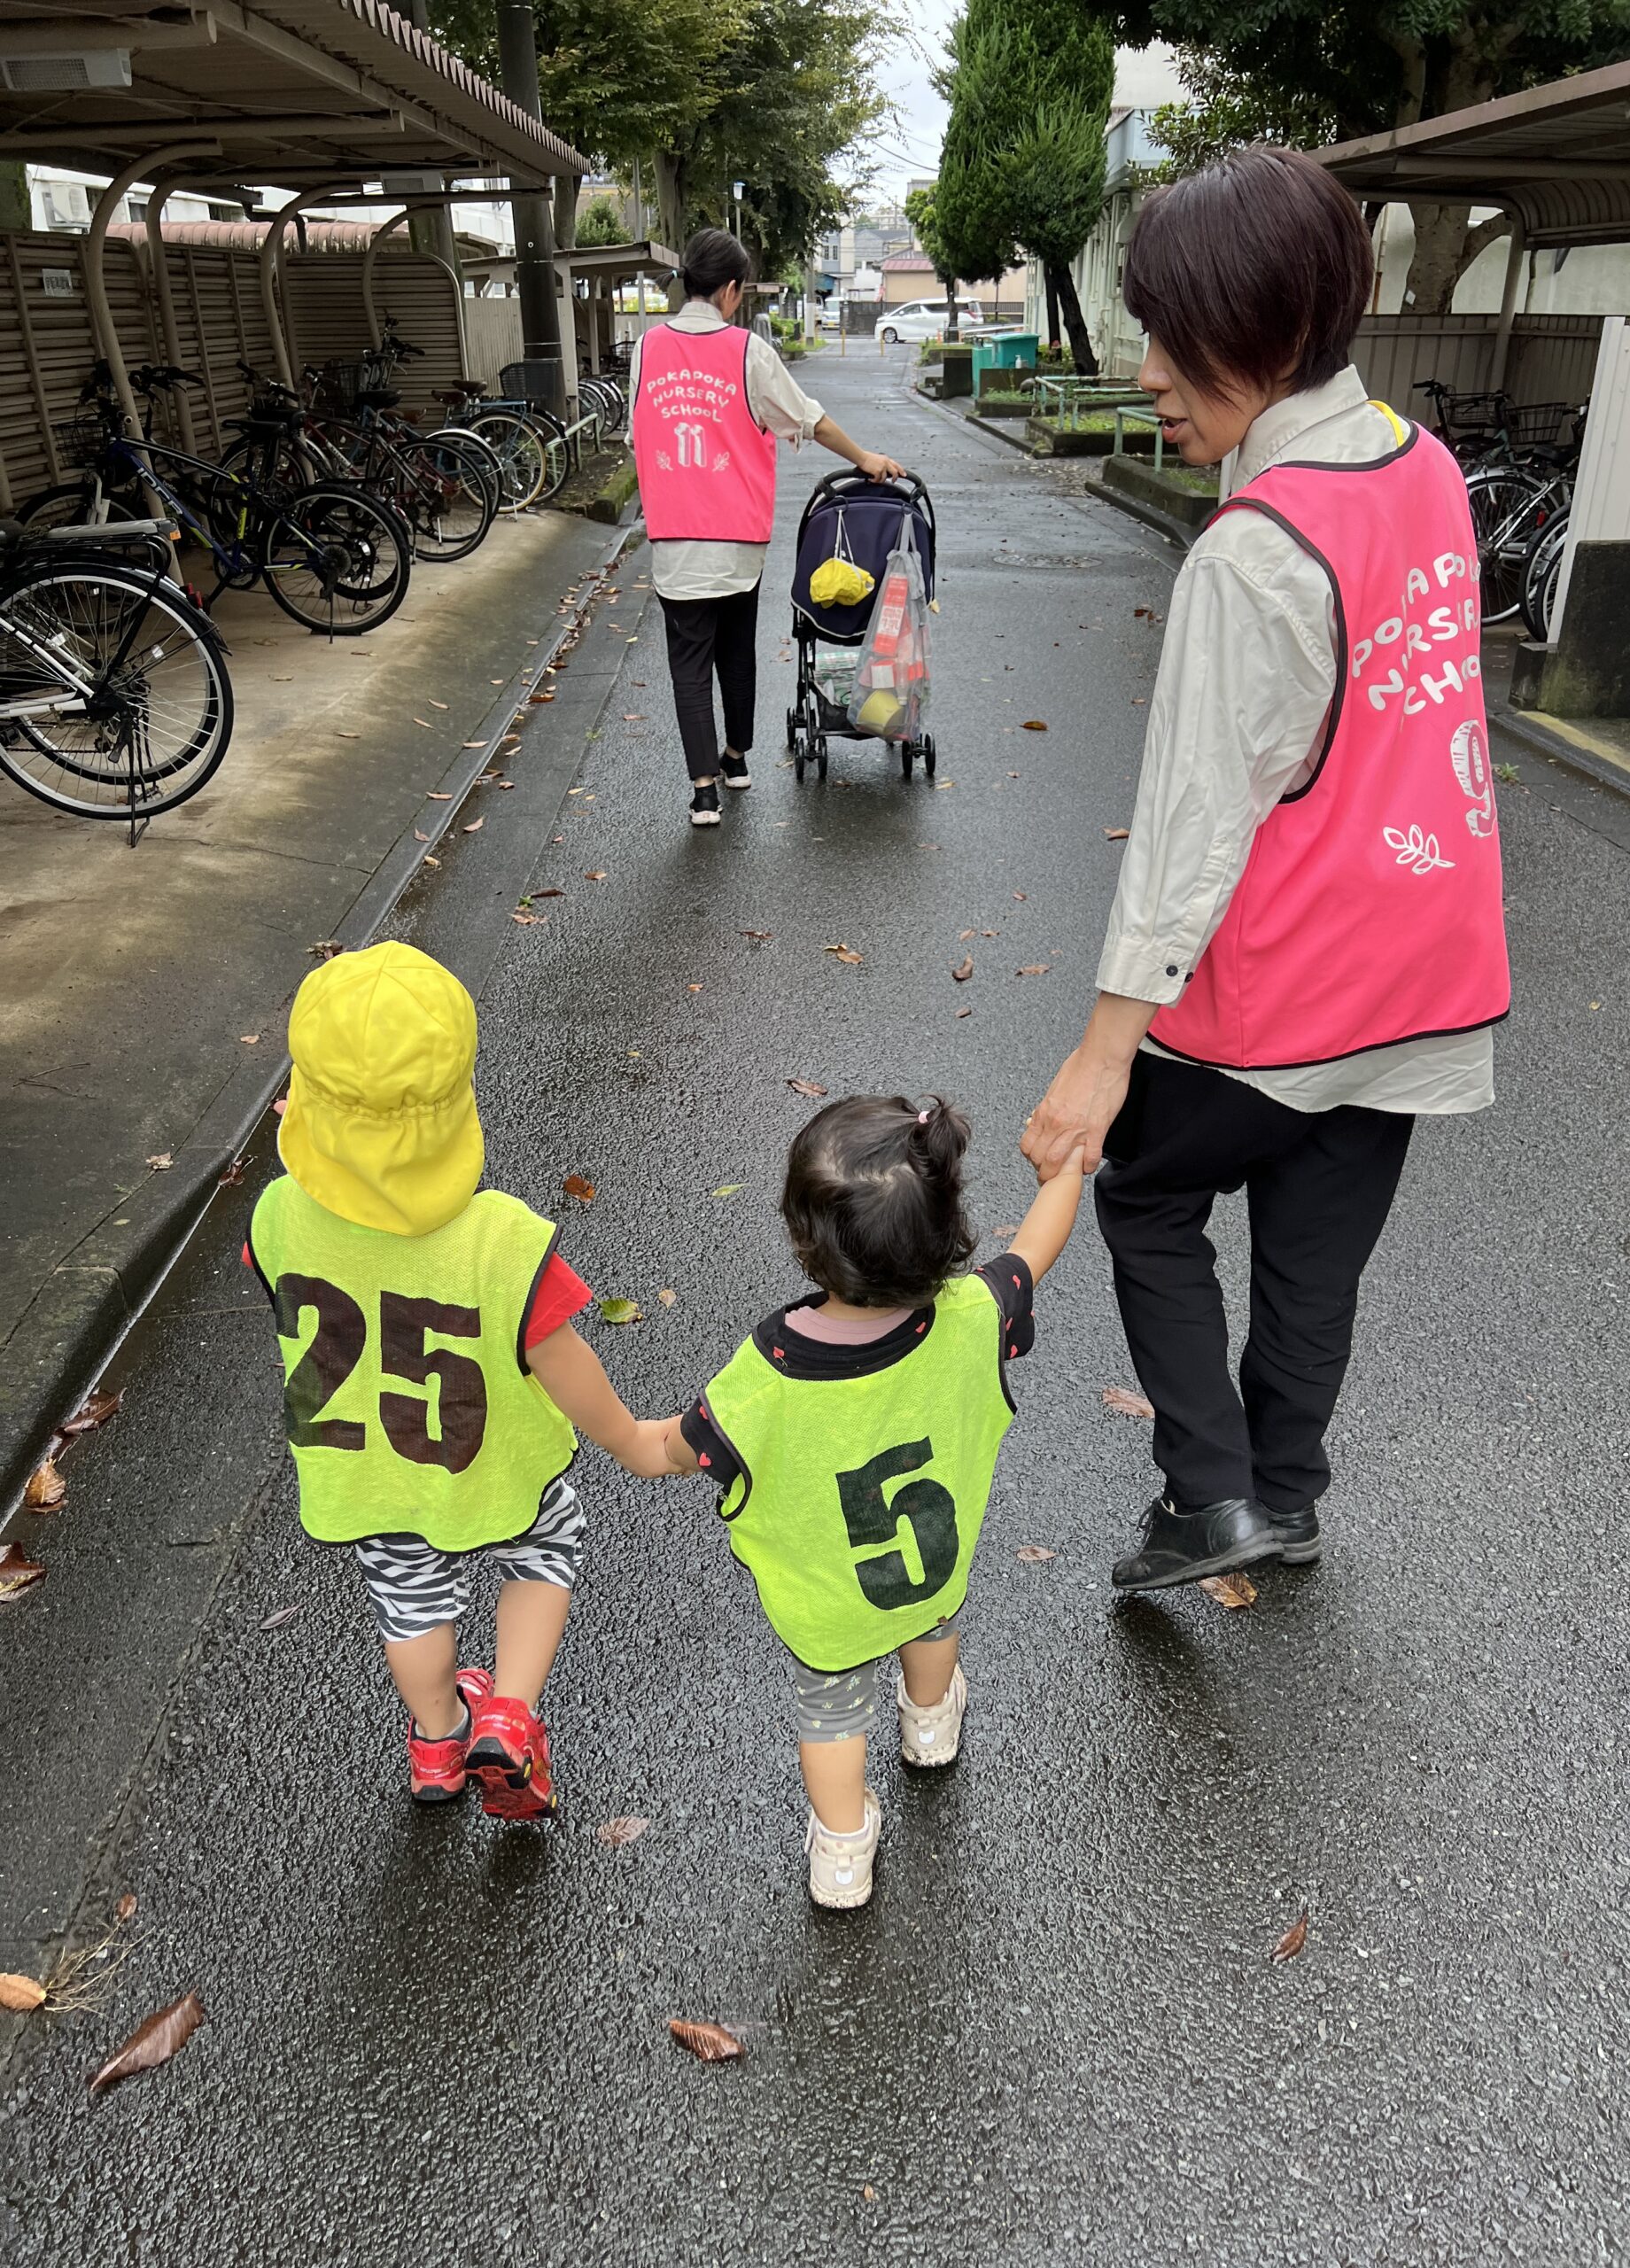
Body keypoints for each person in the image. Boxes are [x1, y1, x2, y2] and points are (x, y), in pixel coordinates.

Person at [1022, 145, 1510, 1593]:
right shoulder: (1429, 469)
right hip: (1429, 970)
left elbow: (1190, 829)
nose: (1151, 369)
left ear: (1274, 331)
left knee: (1148, 1196)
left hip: (1289, 983)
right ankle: (1285, 1496)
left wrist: (1105, 1058)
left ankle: (1212, 1494)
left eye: (1180, 334)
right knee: (1316, 1258)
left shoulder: (1251, 550)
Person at [246, 943, 674, 1819]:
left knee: (407, 1595)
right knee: (545, 1548)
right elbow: (565, 1362)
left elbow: (283, 1278)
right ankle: (509, 1717)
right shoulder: (503, 1241)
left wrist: (313, 1151)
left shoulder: (276, 1217)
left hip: (373, 1465)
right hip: (493, 1461)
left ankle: (438, 1742)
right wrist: (632, 1440)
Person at [649, 1096, 1084, 1908]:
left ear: (806, 1245)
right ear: (945, 1228)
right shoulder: (975, 1317)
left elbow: (674, 1447)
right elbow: (1036, 1247)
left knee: (831, 1720)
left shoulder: (769, 1371)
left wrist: (615, 1429)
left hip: (830, 1607)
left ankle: (843, 1853)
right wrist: (1065, 1171)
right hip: (931, 1568)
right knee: (932, 1634)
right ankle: (929, 1728)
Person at [629, 227, 905, 829]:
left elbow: (637, 431)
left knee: (688, 663)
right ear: (730, 290)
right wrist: (865, 460)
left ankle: (704, 792)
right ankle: (736, 759)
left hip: (675, 536)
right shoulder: (747, 352)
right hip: (737, 539)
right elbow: (808, 419)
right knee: (736, 650)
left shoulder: (646, 349)